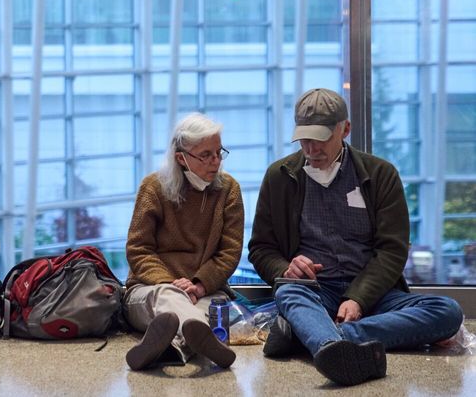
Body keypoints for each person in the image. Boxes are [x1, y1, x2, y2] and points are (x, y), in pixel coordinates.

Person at [248, 88, 463, 386]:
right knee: (288, 292)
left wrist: (358, 299)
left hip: (375, 295)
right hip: (314, 291)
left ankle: (319, 338)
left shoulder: (380, 175)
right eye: (304, 139)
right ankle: (327, 341)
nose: (311, 149)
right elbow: (261, 249)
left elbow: (392, 251)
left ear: (345, 129)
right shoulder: (279, 176)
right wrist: (285, 269)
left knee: (448, 312)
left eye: (321, 138)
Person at [123, 113, 244, 370]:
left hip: (205, 292)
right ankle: (199, 338)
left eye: (218, 152)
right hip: (150, 289)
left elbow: (230, 252)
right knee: (169, 301)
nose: (216, 162)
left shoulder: (229, 189)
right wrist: (170, 283)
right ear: (181, 158)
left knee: (202, 310)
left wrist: (199, 285)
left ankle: (167, 347)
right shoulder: (153, 187)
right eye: (206, 155)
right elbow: (138, 248)